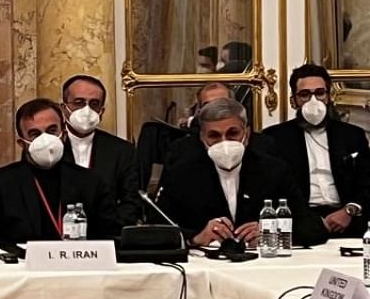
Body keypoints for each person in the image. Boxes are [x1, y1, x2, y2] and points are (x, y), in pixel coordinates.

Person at [157, 98, 325, 247]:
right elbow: (157, 228)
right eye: (214, 136)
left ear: (247, 133)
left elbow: (313, 227)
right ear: (202, 138)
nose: (224, 142)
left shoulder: (274, 170)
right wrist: (194, 238)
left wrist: (271, 231)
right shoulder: (182, 174)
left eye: (233, 133)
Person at [0, 99, 120, 245]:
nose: (45, 139)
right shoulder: (2, 182)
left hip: (79, 265)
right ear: (22, 143)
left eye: (52, 130)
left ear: (64, 134)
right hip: (25, 265)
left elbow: (112, 235)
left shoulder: (90, 181)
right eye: (35, 134)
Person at [263, 64, 370, 239]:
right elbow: (273, 187)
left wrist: (349, 210)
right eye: (305, 95)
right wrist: (311, 221)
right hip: (300, 220)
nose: (314, 101)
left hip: (348, 216)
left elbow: (366, 180)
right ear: (293, 101)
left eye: (320, 93)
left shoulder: (352, 135)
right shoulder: (274, 138)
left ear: (329, 96)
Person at [60, 75, 142, 226]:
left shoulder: (122, 151)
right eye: (79, 103)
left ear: (101, 111)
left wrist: (108, 230)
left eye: (94, 104)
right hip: (57, 235)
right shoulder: (50, 147)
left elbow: (131, 202)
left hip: (108, 236)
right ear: (64, 107)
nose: (86, 110)